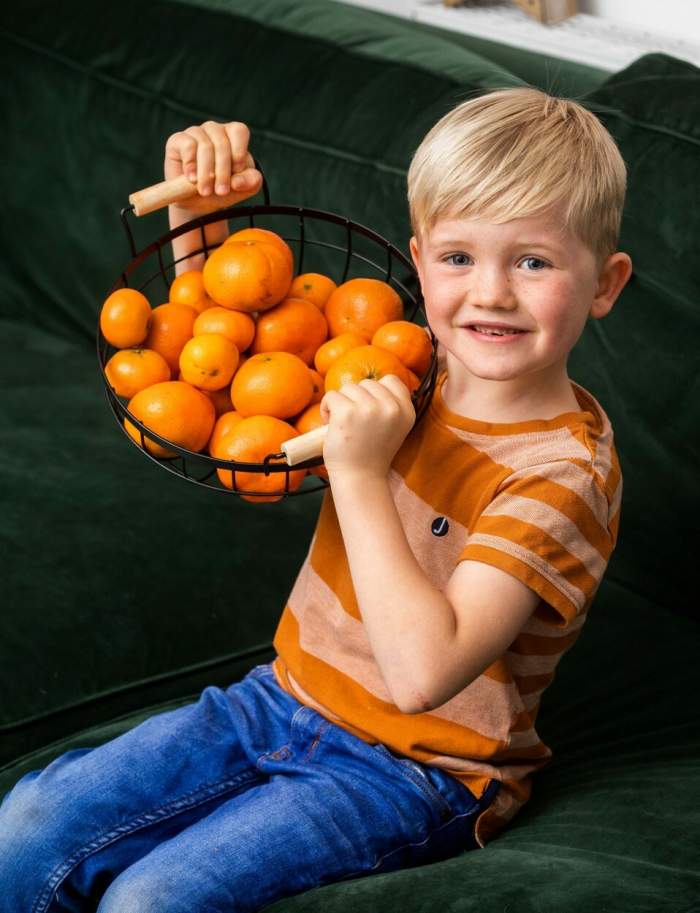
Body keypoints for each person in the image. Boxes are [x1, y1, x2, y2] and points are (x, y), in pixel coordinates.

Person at [0, 87, 632, 912]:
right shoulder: (401, 360)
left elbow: (423, 676)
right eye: (457, 258)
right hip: (281, 696)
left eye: (534, 261)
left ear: (605, 283)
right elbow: (231, 382)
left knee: (153, 898)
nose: (491, 294)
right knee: (25, 823)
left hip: (417, 767)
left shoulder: (562, 472)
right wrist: (202, 221)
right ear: (418, 255)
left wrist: (363, 475)